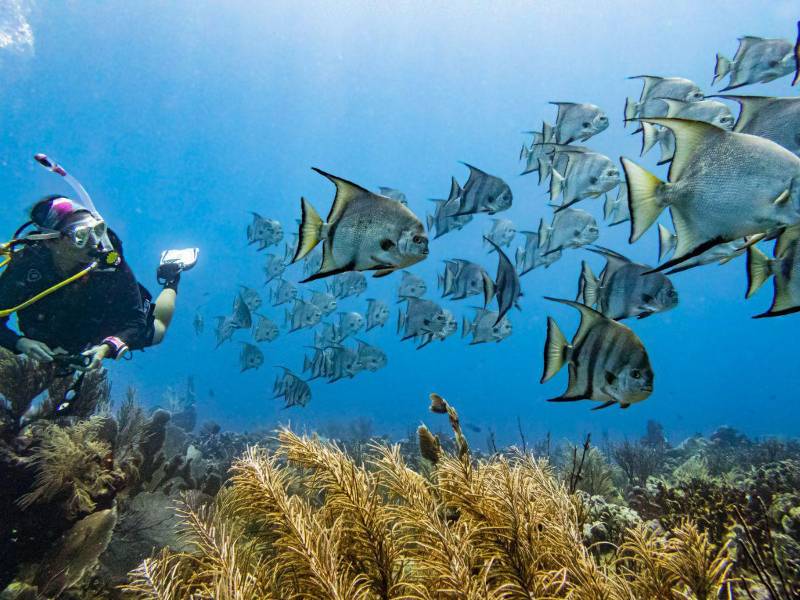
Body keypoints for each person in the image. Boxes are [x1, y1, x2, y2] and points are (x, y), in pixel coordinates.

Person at [0, 194, 198, 370]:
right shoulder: (25, 266)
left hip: (100, 321)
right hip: (48, 326)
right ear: (50, 241)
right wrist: (19, 343)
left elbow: (135, 321)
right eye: (80, 235)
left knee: (157, 331)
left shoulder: (109, 264)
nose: (94, 241)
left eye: (97, 230)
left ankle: (172, 274)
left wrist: (107, 347)